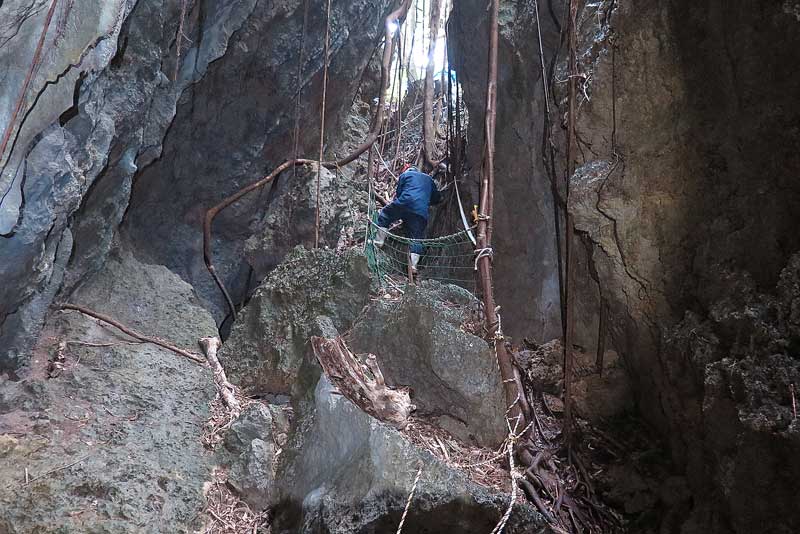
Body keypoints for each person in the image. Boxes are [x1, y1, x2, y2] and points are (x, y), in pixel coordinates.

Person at [373, 164, 442, 273]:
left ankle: (378, 241)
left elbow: (399, 193)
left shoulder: (405, 175)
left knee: (386, 214)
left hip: (405, 202)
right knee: (416, 237)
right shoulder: (429, 179)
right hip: (421, 211)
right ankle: (413, 266)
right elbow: (436, 198)